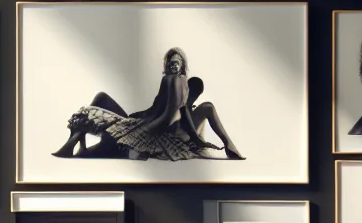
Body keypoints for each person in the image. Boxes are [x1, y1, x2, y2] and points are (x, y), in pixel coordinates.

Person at [51, 47, 244, 161]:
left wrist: (205, 140)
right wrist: (138, 116)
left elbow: (178, 118)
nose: (173, 66)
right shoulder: (170, 83)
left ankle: (77, 145)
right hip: (146, 123)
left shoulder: (190, 105)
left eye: (177, 63)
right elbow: (155, 109)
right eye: (170, 63)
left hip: (154, 130)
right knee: (101, 98)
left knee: (107, 141)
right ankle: (76, 142)